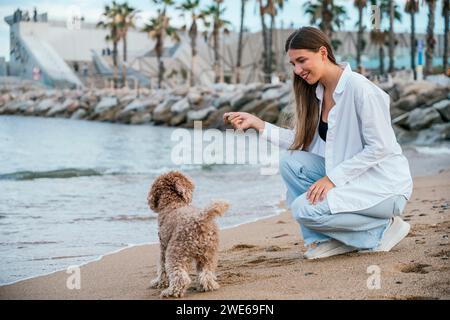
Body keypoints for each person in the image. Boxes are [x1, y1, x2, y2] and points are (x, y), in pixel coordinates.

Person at [223, 27, 413, 260]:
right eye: (293, 64)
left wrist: (331, 179)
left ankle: (381, 230)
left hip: (385, 187)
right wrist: (259, 124)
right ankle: (324, 239)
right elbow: (300, 141)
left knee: (302, 209)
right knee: (290, 162)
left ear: (323, 53)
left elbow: (380, 147)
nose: (297, 70)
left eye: (302, 61)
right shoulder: (319, 92)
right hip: (353, 178)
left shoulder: (360, 89)